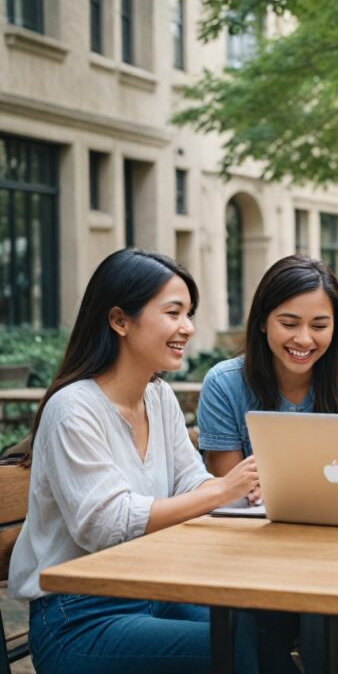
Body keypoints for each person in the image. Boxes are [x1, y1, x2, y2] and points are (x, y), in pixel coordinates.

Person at [8, 249, 260, 674]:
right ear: (119, 320)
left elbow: (190, 481)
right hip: (77, 617)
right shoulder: (73, 410)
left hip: (149, 590)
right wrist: (221, 490)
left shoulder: (158, 396)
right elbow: (105, 525)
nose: (188, 327)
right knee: (234, 649)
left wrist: (246, 488)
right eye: (174, 313)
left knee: (254, 629)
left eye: (189, 314)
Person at [197, 254, 338, 674]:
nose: (304, 338)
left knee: (331, 622)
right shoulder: (225, 384)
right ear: (263, 321)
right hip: (257, 561)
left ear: (336, 327)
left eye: (319, 325)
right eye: (289, 323)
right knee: (251, 627)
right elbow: (228, 493)